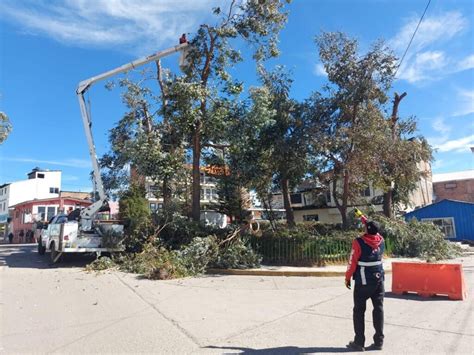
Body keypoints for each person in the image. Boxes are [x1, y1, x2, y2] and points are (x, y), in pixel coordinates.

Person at [345, 208, 385, 351]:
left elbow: (352, 262)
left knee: (359, 311)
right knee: (378, 309)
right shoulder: (380, 240)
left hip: (363, 282)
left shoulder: (359, 242)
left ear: (367, 230)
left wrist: (347, 278)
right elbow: (370, 225)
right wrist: (361, 216)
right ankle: (379, 341)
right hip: (379, 280)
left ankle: (359, 342)